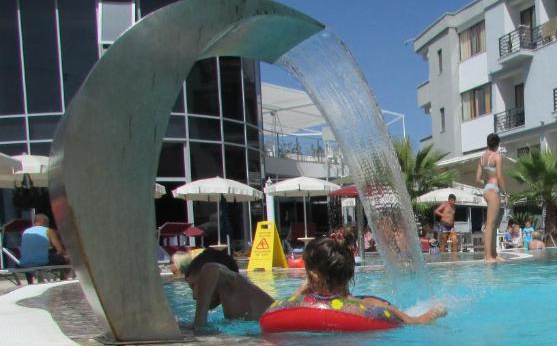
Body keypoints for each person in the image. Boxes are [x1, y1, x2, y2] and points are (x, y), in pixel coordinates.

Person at [300, 237, 446, 324]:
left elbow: (416, 322)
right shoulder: (372, 305)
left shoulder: (370, 306)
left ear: (313, 275)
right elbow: (416, 322)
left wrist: (436, 312)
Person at [179, 248, 274, 330]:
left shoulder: (234, 283)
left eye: (194, 286)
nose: (194, 296)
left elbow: (211, 268)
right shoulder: (231, 299)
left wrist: (199, 323)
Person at [476, 133, 506, 263]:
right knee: (490, 225)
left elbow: (477, 179)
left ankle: (494, 254)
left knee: (493, 225)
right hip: (494, 190)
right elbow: (499, 176)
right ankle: (488, 256)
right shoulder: (497, 156)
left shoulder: (482, 158)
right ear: (498, 144)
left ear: (487, 143)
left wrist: (487, 182)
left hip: (487, 189)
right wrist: (505, 192)